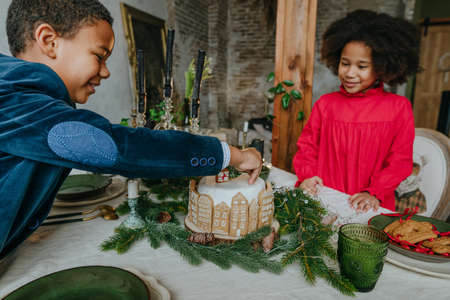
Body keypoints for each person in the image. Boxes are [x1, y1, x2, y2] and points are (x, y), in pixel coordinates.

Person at [0, 0, 262, 260]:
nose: (106, 72)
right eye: (99, 55)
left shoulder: (21, 92)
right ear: (49, 40)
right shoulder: (16, 101)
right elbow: (121, 147)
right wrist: (231, 155)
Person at [293, 10, 420, 213]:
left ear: (381, 67)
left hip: (370, 206)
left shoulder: (399, 108)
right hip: (325, 201)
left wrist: (373, 192)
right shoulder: (326, 104)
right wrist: (307, 176)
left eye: (362, 66)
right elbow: (307, 147)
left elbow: (400, 162)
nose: (350, 73)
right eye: (345, 63)